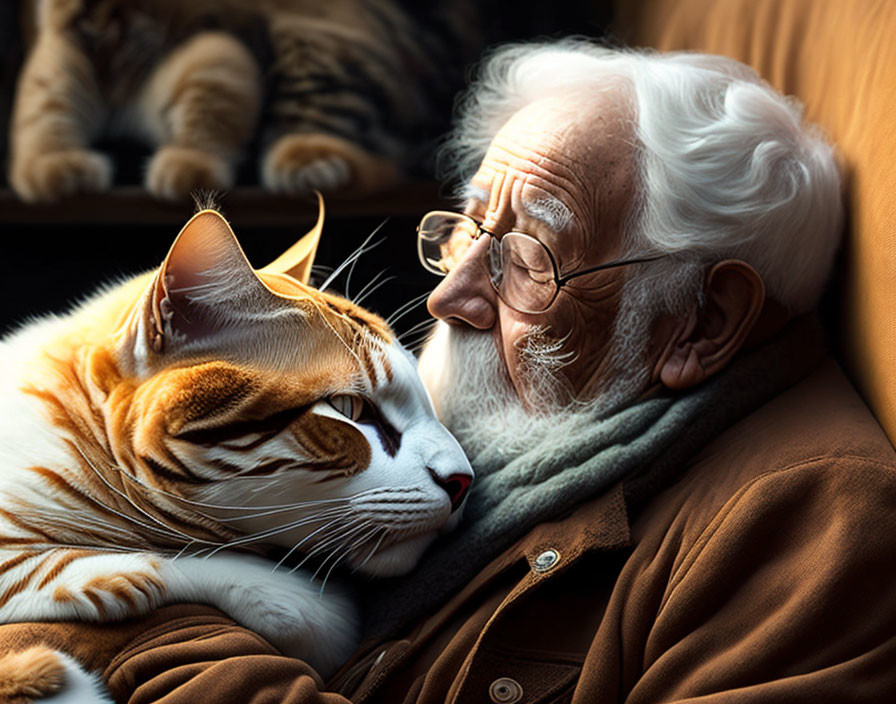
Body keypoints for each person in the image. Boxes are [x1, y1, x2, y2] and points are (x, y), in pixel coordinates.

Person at [6, 40, 896, 703]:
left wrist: (135, 620)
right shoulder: (544, 420)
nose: (451, 294)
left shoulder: (811, 525)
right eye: (468, 227)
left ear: (702, 324)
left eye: (531, 255)